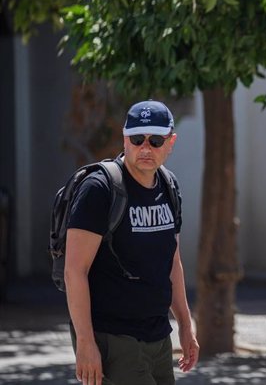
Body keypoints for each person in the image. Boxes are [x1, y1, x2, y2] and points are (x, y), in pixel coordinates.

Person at [64, 100, 199, 385]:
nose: (146, 148)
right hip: (115, 339)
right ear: (126, 139)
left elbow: (172, 261)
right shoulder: (99, 190)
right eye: (137, 139)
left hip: (158, 336)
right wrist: (86, 343)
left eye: (155, 140)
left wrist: (186, 326)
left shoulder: (169, 186)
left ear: (170, 141)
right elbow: (75, 270)